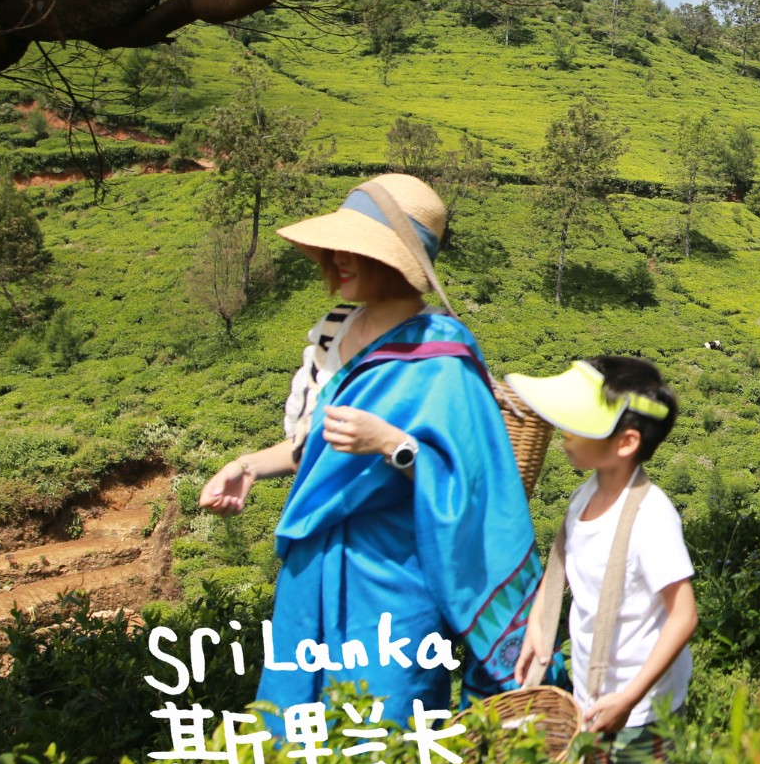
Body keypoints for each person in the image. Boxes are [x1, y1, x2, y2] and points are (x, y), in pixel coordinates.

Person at [198, 173, 543, 720]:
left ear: (396, 258)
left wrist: (391, 444)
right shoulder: (334, 332)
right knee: (294, 720)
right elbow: (313, 446)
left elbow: (469, 483)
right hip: (311, 566)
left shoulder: (443, 353)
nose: (337, 258)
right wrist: (246, 466)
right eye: (336, 245)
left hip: (393, 573)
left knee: (385, 719)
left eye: (355, 248)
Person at [506, 355, 696, 764]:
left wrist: (629, 698)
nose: (563, 435)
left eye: (576, 426)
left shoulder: (651, 519)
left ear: (626, 443)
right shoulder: (587, 492)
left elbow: (684, 615)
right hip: (593, 694)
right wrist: (539, 623)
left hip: (643, 710)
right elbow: (564, 564)